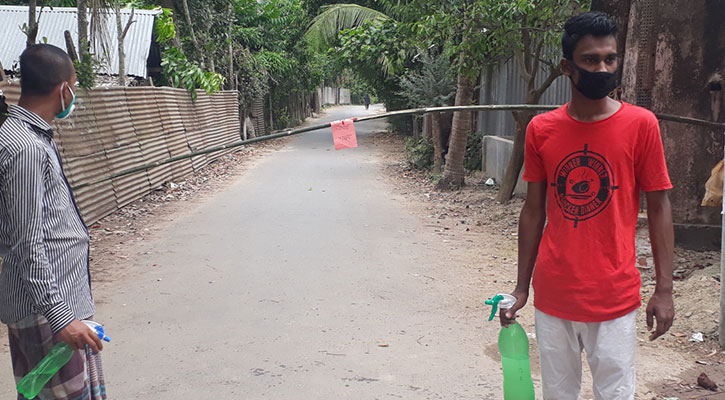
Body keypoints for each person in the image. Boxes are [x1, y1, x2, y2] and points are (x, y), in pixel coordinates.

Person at [501, 12, 674, 400]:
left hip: (614, 296)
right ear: (567, 67)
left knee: (615, 394)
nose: (603, 69)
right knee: (557, 393)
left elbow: (659, 206)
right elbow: (533, 211)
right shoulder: (541, 129)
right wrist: (521, 288)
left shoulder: (642, 125)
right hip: (554, 293)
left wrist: (664, 289)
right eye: (591, 60)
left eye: (610, 59)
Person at [0, 44, 106, 399]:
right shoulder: (25, 148)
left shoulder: (30, 137)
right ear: (63, 89)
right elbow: (27, 243)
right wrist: (61, 317)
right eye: (73, 87)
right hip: (46, 312)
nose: (73, 95)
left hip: (56, 304)